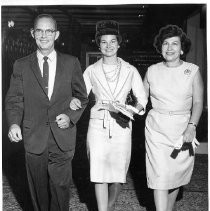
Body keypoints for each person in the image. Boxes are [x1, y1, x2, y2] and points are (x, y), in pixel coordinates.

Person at [5, 14, 88, 211]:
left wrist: (70, 116)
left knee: (60, 188)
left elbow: (82, 97)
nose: (44, 35)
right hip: (34, 136)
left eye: (49, 31)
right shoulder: (21, 65)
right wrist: (14, 123)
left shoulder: (71, 63)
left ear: (56, 34)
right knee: (38, 190)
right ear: (33, 34)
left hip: (62, 137)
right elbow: (15, 98)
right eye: (39, 31)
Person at [70, 20, 147, 211]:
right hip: (98, 126)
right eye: (104, 42)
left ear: (119, 44)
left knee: (118, 173)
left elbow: (142, 100)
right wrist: (74, 101)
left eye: (113, 41)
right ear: (98, 44)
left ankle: (110, 205)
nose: (109, 46)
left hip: (122, 125)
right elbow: (81, 96)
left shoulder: (130, 70)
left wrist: (129, 111)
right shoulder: (91, 70)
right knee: (98, 172)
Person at [143, 24, 204, 211]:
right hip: (156, 128)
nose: (169, 48)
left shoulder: (192, 70)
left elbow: (198, 103)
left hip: (183, 128)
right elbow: (141, 100)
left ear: (182, 47)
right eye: (165, 44)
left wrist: (192, 126)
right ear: (160, 48)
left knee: (175, 175)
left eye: (174, 44)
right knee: (159, 176)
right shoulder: (152, 70)